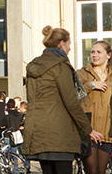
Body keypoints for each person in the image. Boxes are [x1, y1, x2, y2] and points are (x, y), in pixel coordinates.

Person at [23, 26, 91, 174]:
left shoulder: (35, 66)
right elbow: (71, 101)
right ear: (61, 43)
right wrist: (88, 129)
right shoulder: (60, 66)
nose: (70, 48)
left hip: (39, 133)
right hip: (59, 135)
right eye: (69, 44)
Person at [77, 41, 112, 174]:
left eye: (98, 52)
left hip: (107, 133)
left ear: (108, 55)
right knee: (92, 172)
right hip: (88, 131)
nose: (94, 55)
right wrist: (91, 85)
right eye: (92, 52)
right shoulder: (82, 74)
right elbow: (72, 95)